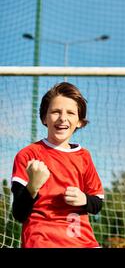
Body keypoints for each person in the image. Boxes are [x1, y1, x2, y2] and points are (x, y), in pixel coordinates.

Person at [11, 82, 104, 248]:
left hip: (82, 241)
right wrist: (32, 186)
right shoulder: (28, 155)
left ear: (80, 121)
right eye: (55, 112)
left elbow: (97, 203)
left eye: (70, 113)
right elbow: (18, 213)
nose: (63, 118)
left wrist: (84, 199)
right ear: (44, 118)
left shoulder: (84, 157)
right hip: (42, 242)